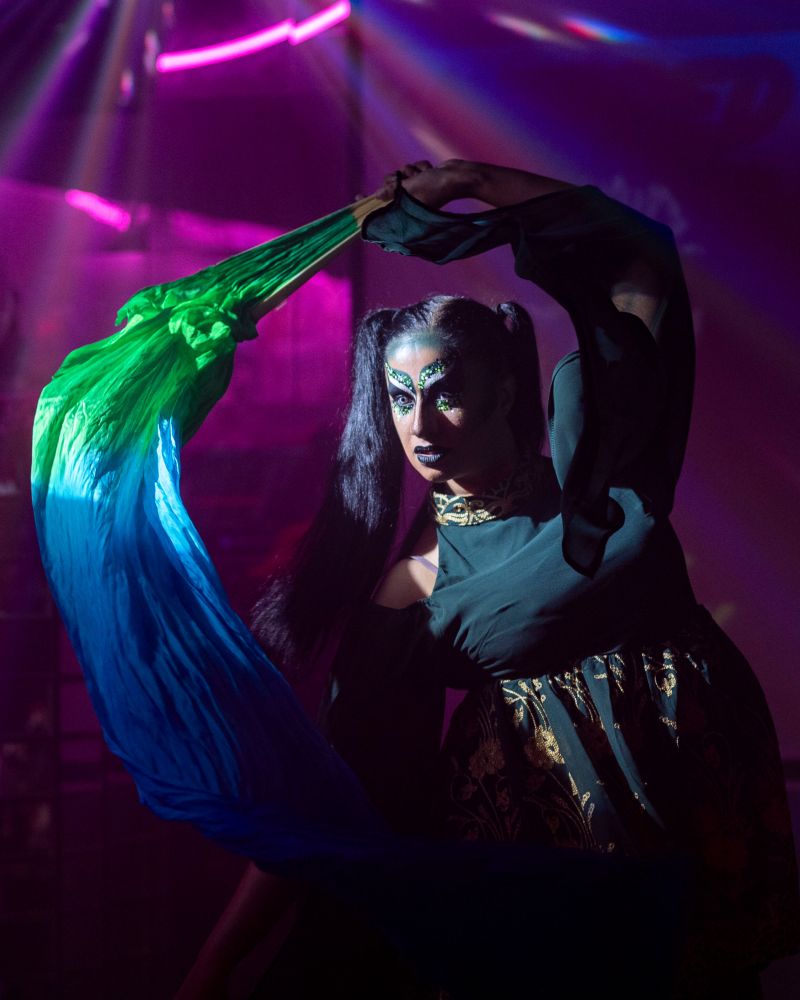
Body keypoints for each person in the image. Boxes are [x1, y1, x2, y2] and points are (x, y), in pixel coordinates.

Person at [177, 160, 800, 999]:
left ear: (507, 386)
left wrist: (467, 181)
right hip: (548, 875)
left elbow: (639, 259)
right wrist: (213, 967)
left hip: (698, 819)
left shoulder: (598, 469)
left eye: (444, 392)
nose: (420, 425)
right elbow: (336, 794)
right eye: (399, 398)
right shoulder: (411, 589)